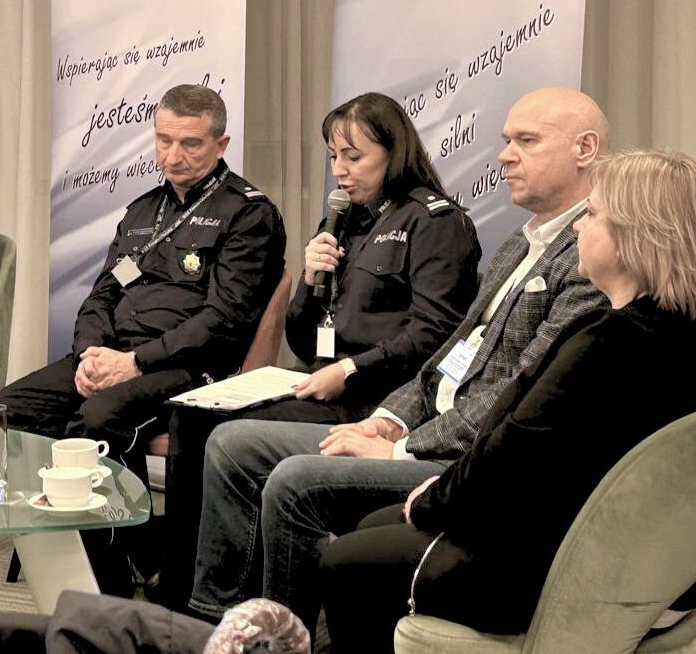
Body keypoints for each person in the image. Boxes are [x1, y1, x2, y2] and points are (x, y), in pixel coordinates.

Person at [187, 87, 610, 635]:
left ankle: (279, 638)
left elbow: (514, 389)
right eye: (506, 140)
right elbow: (450, 353)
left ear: (584, 149)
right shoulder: (517, 242)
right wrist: (390, 418)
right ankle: (214, 620)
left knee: (290, 479)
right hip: (408, 413)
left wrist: (399, 443)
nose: (505, 155)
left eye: (525, 141)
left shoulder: (581, 256)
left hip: (455, 449)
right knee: (225, 437)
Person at [320, 149, 696, 651]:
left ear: (635, 238)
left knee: (345, 561)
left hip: (569, 573)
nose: (578, 228)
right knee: (376, 526)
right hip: (654, 570)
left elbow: (512, 456)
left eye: (592, 215)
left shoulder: (610, 343)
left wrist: (436, 498)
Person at [157, 92, 481, 609]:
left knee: (219, 435)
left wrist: (351, 369)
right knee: (192, 417)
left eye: (354, 156)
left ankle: (220, 604)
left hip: (379, 400)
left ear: (394, 152)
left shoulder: (434, 222)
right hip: (320, 379)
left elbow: (436, 333)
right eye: (333, 156)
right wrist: (310, 280)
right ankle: (189, 591)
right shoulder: (344, 220)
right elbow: (304, 339)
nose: (339, 171)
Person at [0, 84, 286, 593]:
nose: (173, 156)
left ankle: (108, 579)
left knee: (96, 420)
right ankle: (133, 550)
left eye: (190, 143)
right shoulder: (142, 211)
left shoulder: (248, 215)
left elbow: (222, 320)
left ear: (221, 144)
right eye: (163, 140)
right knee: (5, 413)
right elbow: (101, 296)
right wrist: (91, 353)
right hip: (114, 354)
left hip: (190, 365)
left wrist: (134, 362)